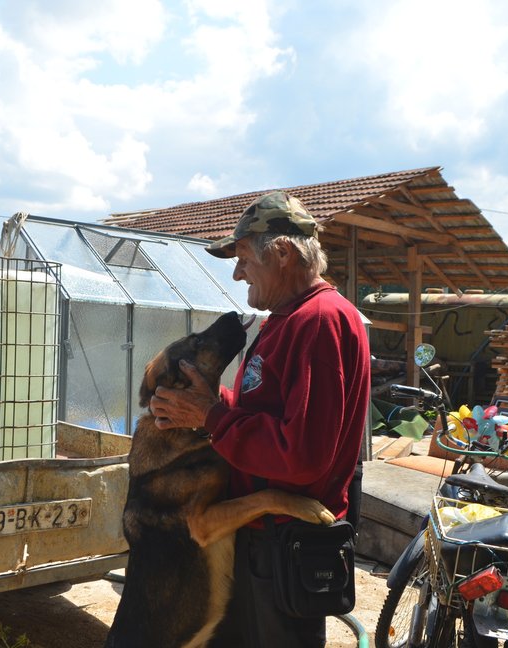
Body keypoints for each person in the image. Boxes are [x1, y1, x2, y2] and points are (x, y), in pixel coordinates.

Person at [149, 191, 371, 647]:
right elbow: (270, 411)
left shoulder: (319, 321)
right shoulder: (290, 319)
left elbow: (302, 456)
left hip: (287, 546)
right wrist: (203, 403)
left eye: (244, 258)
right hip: (262, 538)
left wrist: (213, 417)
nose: (236, 272)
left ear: (284, 253)